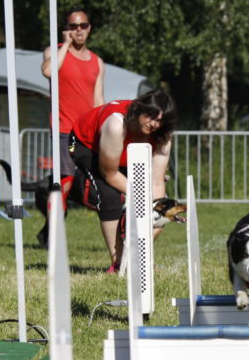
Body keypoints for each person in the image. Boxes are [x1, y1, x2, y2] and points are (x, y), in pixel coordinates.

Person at [68, 90, 177, 272]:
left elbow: (157, 181)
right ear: (139, 110)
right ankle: (119, 263)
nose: (153, 124)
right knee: (109, 195)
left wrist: (155, 206)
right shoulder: (116, 124)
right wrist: (140, 196)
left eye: (159, 121)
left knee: (162, 210)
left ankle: (137, 257)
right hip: (86, 145)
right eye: (150, 117)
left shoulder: (164, 135)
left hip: (124, 153)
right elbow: (109, 173)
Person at [38, 6, 105, 248]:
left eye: (83, 25)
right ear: (66, 29)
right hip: (63, 128)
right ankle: (54, 236)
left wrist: (102, 129)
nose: (78, 30)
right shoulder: (54, 51)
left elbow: (98, 100)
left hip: (87, 131)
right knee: (63, 182)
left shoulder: (97, 61)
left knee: (98, 182)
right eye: (73, 26)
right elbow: (47, 71)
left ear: (89, 28)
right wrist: (64, 45)